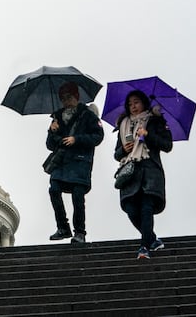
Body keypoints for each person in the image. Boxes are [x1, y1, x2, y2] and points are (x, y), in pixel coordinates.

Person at [114, 90, 173, 259]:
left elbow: (167, 145)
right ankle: (152, 239)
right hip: (130, 172)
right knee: (131, 210)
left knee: (146, 208)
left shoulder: (155, 121)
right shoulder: (123, 124)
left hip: (149, 170)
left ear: (144, 103)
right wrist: (122, 150)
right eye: (130, 103)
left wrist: (148, 135)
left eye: (136, 102)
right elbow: (116, 154)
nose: (133, 106)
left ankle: (144, 247)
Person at [46, 82, 104, 244]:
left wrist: (76, 139)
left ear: (77, 97)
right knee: (54, 190)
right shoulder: (56, 118)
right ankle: (63, 227)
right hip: (62, 162)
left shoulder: (88, 116)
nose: (66, 101)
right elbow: (49, 145)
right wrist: (53, 131)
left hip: (80, 162)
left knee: (78, 197)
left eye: (69, 97)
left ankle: (80, 232)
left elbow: (98, 137)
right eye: (63, 98)